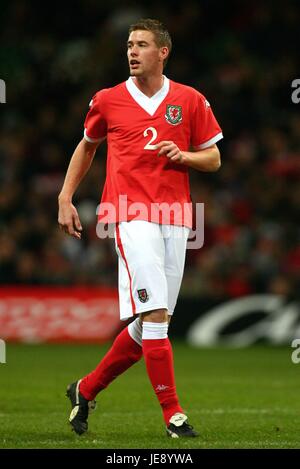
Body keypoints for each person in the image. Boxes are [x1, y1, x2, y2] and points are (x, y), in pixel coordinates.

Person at [58, 18, 223, 438]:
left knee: (154, 321)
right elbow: (87, 146)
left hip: (177, 217)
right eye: (129, 44)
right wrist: (65, 197)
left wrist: (182, 156)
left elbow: (213, 159)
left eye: (142, 44)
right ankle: (173, 413)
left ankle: (86, 388)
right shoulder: (108, 100)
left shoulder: (189, 100)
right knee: (154, 315)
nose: (132, 51)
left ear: (162, 52)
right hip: (128, 215)